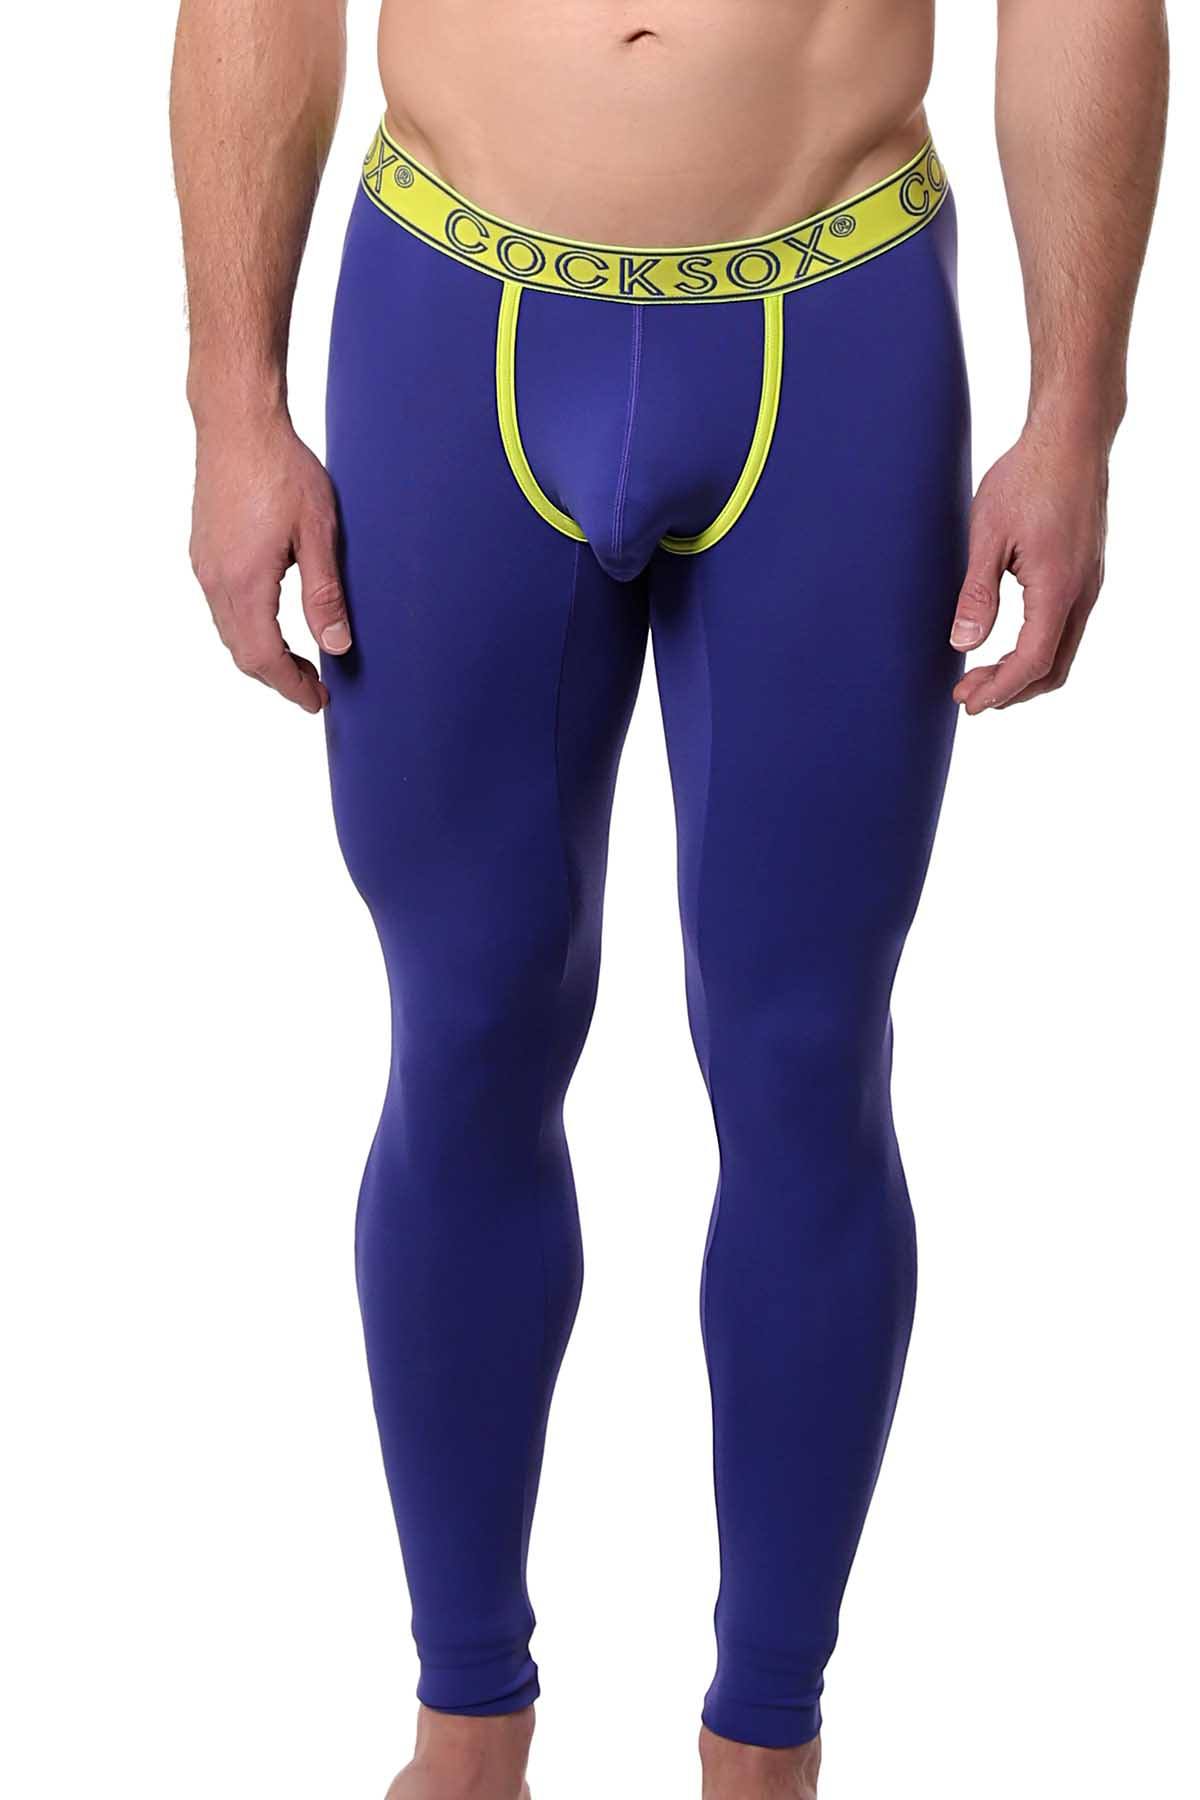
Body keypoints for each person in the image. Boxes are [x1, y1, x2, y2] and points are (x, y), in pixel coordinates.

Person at [170, 4, 1168, 1795]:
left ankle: (765, 1748)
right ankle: (465, 1735)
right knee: (463, 1039)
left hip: (834, 323)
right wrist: (231, 402)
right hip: (456, 313)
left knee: (804, 1064)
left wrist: (1076, 409)